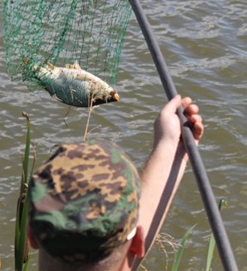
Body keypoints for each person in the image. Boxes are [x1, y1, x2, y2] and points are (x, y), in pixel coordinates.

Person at [26, 95, 204, 271]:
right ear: (137, 243)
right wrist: (169, 145)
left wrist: (171, 146)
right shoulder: (134, 245)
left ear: (31, 235)